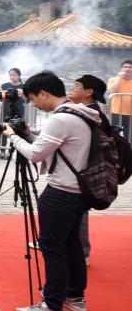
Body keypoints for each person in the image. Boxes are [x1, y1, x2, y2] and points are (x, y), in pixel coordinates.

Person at [3, 71, 101, 311]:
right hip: (79, 190)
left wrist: (13, 138)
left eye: (34, 98)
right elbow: (55, 146)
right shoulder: (83, 113)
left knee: (51, 247)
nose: (34, 104)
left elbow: (35, 154)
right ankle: (75, 296)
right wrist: (27, 132)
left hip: (61, 191)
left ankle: (52, 308)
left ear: (44, 93)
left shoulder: (61, 119)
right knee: (70, 244)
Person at [68, 74, 109, 265]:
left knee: (79, 211)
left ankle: (82, 252)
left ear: (88, 92)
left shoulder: (90, 114)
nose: (72, 88)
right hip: (81, 170)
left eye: (76, 86)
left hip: (86, 172)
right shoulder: (90, 110)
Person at [0, 68, 25, 160]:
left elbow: (28, 100)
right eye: (10, 75)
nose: (12, 77)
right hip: (6, 110)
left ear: (19, 75)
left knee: (16, 131)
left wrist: (22, 94)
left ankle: (11, 151)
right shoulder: (5, 85)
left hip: (19, 112)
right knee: (4, 129)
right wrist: (4, 95)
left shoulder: (23, 86)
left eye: (14, 75)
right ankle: (2, 151)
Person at [107, 59, 132, 137]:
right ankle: (115, 149)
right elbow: (112, 91)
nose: (127, 69)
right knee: (115, 134)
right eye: (125, 67)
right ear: (121, 69)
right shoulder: (113, 79)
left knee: (129, 135)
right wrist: (119, 78)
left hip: (130, 113)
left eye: (130, 67)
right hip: (116, 112)